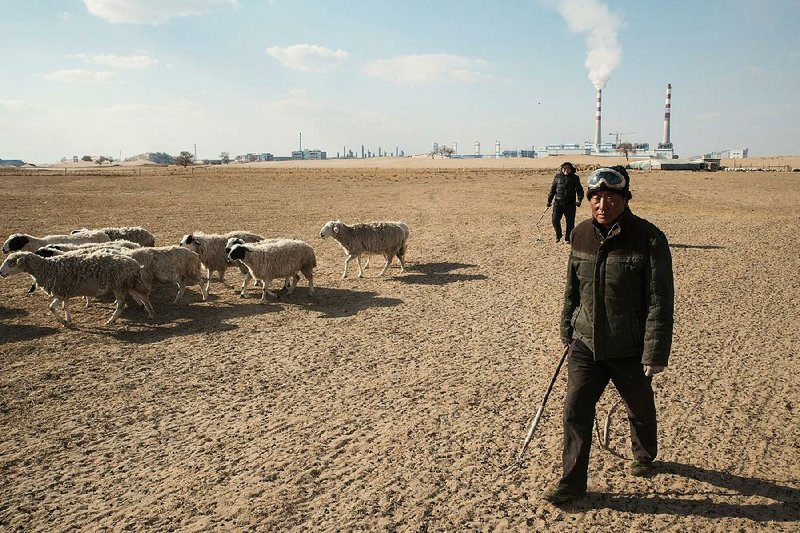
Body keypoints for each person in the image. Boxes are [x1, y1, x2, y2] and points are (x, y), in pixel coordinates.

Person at [543, 165, 674, 505]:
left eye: (611, 197)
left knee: (639, 405)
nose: (602, 204)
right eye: (596, 198)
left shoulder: (649, 238)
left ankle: (643, 454)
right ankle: (572, 484)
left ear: (625, 199)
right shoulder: (581, 234)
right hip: (585, 344)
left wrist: (655, 353)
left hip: (628, 346)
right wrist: (567, 329)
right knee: (575, 410)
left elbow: (660, 300)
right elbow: (572, 290)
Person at [546, 162, 584, 244]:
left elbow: (580, 190)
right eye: (564, 168)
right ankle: (558, 236)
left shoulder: (575, 178)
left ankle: (568, 238)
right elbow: (552, 190)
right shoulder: (557, 177)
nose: (566, 170)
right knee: (555, 220)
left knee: (570, 222)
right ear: (562, 169)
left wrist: (579, 200)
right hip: (558, 203)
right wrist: (549, 201)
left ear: (571, 169)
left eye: (568, 168)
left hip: (570, 204)